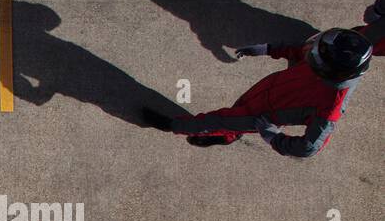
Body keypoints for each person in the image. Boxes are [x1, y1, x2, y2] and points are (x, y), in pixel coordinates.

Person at [142, 28, 372, 158]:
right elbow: (299, 50)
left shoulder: (330, 106)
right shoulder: (332, 58)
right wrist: (267, 49)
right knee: (232, 115)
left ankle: (173, 125)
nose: (310, 55)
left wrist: (273, 136)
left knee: (215, 120)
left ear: (330, 72)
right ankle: (227, 137)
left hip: (261, 116)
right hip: (265, 89)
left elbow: (309, 147)